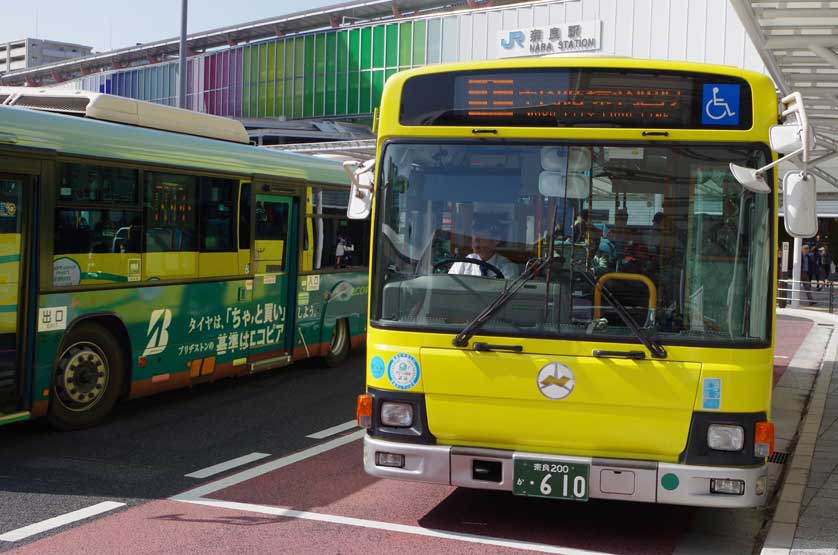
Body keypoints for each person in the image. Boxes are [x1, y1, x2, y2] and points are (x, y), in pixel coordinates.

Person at [448, 220, 519, 279]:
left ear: (495, 240)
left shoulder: (508, 268)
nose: (475, 240)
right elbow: (449, 286)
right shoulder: (464, 263)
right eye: (473, 236)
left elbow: (506, 293)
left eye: (480, 238)